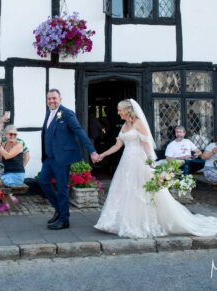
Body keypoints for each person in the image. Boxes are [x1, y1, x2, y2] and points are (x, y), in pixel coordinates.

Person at [94, 99, 217, 238]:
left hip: (139, 161)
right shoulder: (124, 125)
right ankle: (119, 221)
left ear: (128, 110)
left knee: (141, 190)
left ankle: (141, 222)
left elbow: (146, 144)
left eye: (119, 110)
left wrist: (151, 162)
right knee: (124, 189)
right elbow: (117, 146)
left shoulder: (139, 123)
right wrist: (102, 154)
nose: (118, 112)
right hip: (126, 161)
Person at [38, 89, 99, 230]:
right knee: (42, 181)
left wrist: (92, 151)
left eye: (54, 98)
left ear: (60, 98)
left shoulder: (66, 113)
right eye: (49, 99)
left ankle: (64, 220)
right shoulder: (49, 112)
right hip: (49, 158)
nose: (51, 101)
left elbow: (80, 132)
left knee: (62, 188)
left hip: (62, 158)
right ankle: (59, 209)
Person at [0, 125, 25, 212]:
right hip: (7, 173)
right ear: (5, 134)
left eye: (15, 134)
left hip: (17, 175)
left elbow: (7, 156)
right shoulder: (4, 144)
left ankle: (7, 204)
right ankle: (11, 198)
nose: (13, 136)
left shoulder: (18, 144)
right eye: (11, 134)